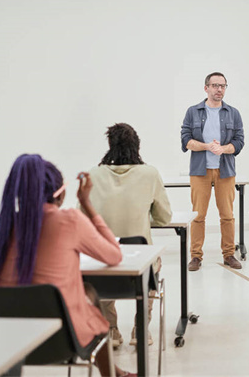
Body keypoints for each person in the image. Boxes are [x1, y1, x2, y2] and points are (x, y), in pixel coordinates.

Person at [0, 154, 135, 377]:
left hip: (7, 340)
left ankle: (115, 372)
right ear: (61, 192)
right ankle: (112, 374)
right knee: (87, 297)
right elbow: (114, 255)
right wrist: (87, 204)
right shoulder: (70, 221)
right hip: (60, 339)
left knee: (87, 292)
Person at [86, 122, 172, 348]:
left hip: (104, 263)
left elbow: (80, 215)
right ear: (137, 146)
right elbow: (164, 218)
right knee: (155, 264)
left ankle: (111, 329)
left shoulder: (94, 174)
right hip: (139, 261)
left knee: (101, 265)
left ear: (110, 146)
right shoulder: (150, 173)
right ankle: (140, 329)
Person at [181, 72, 245, 271]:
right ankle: (196, 256)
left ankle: (229, 254)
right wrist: (207, 147)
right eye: (215, 85)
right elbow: (186, 140)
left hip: (225, 171)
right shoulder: (193, 111)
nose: (219, 89)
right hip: (200, 171)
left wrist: (223, 149)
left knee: (227, 215)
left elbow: (239, 142)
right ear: (206, 88)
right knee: (198, 216)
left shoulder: (233, 113)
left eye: (223, 86)